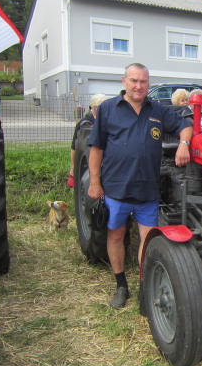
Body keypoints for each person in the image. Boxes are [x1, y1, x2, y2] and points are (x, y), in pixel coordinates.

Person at [87, 63, 192, 308]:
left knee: (148, 240)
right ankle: (121, 285)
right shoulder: (108, 109)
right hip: (116, 188)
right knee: (116, 234)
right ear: (124, 81)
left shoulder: (158, 110)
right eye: (134, 81)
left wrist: (184, 144)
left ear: (148, 84)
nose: (138, 86)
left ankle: (145, 287)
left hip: (147, 189)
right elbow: (96, 148)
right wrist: (94, 182)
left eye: (143, 81)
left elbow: (185, 126)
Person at [68, 93, 108, 187]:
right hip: (87, 165)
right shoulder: (85, 124)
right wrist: (73, 167)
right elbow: (74, 147)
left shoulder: (108, 120)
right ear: (95, 107)